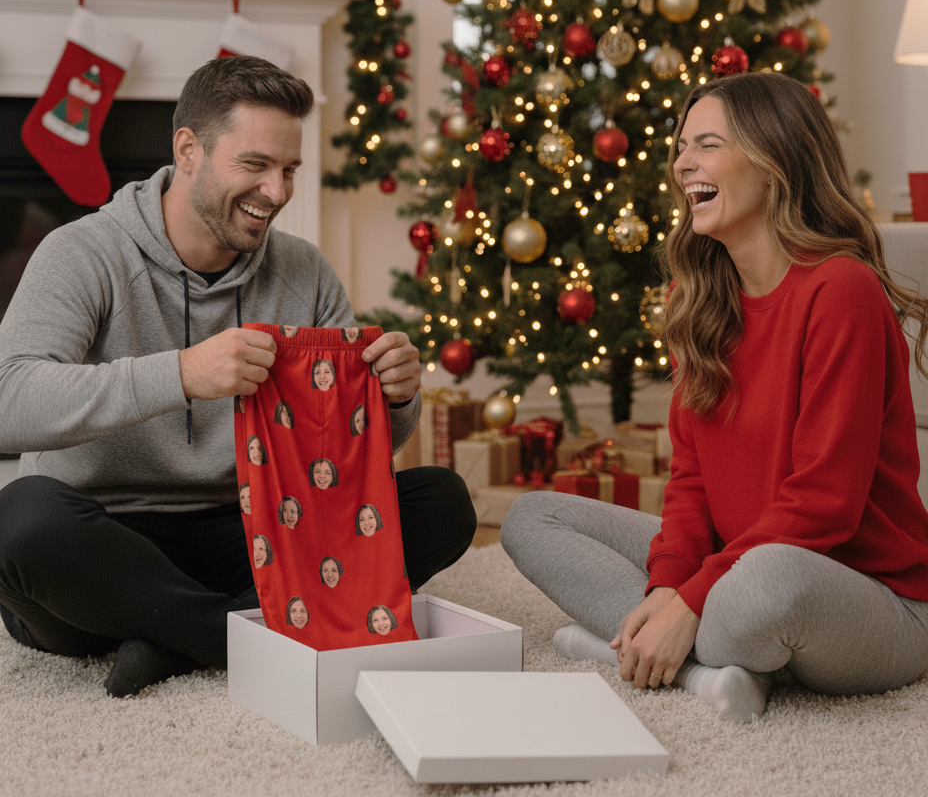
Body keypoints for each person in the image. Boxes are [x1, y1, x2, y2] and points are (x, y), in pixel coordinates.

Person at [0, 55, 475, 699]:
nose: (276, 192)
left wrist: (394, 398)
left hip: (258, 529)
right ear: (188, 151)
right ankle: (241, 631)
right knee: (21, 520)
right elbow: (10, 400)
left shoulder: (304, 271)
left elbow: (350, 461)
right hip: (108, 541)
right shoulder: (82, 253)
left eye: (289, 170)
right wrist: (181, 374)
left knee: (440, 501)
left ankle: (176, 638)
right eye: (255, 165)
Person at [502, 72, 928, 723]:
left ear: (774, 159)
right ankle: (701, 667)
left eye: (707, 144)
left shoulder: (841, 290)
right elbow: (692, 480)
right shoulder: (697, 298)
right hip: (736, 563)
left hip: (871, 596)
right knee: (533, 519)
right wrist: (669, 585)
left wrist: (693, 600)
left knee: (761, 586)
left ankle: (637, 646)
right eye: (681, 147)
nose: (682, 164)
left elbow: (825, 504)